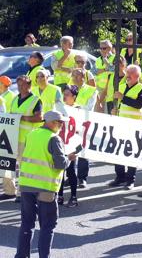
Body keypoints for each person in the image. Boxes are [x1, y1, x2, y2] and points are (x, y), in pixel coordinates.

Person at [15, 110, 77, 258]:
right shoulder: (54, 138)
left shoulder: (31, 134)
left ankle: (21, 256)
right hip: (45, 188)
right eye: (60, 123)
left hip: (26, 185)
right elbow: (61, 164)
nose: (62, 126)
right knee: (47, 225)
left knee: (27, 223)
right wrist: (69, 158)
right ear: (52, 122)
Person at [109, 65, 142, 189]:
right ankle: (120, 177)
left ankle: (130, 180)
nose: (127, 76)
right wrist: (114, 111)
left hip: (134, 126)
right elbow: (116, 104)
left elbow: (138, 104)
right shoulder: (121, 86)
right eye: (127, 73)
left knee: (131, 154)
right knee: (118, 152)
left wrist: (123, 98)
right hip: (120, 125)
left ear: (137, 76)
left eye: (130, 74)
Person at [6, 75, 43, 202]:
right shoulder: (15, 99)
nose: (21, 87)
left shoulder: (35, 100)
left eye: (24, 85)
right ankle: (11, 191)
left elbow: (39, 118)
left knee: (24, 167)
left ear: (29, 85)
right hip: (12, 137)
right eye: (19, 85)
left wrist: (22, 118)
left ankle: (22, 193)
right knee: (9, 165)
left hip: (27, 138)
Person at [57, 85, 80, 207]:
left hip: (73, 145)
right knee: (60, 170)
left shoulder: (79, 110)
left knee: (71, 171)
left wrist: (77, 150)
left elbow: (84, 132)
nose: (64, 97)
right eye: (64, 94)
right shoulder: (60, 108)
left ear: (74, 97)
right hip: (61, 144)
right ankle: (59, 195)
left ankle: (74, 197)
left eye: (67, 94)